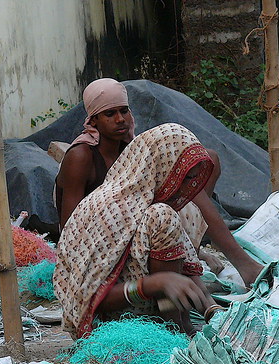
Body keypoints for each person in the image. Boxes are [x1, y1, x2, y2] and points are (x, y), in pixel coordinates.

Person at [55, 78, 262, 286]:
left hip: (134, 227)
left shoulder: (130, 147)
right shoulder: (81, 156)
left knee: (201, 161)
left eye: (124, 111)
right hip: (101, 246)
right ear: (93, 121)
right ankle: (237, 262)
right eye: (110, 114)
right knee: (177, 208)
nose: (120, 119)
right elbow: (70, 230)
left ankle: (200, 252)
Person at [54, 123, 224, 338]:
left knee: (182, 213)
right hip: (107, 327)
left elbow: (186, 269)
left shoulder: (150, 202)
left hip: (140, 312)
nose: (185, 188)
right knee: (163, 215)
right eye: (184, 178)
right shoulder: (110, 210)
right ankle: (171, 328)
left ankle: (177, 325)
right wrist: (151, 285)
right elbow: (87, 300)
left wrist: (212, 311)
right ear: (162, 167)